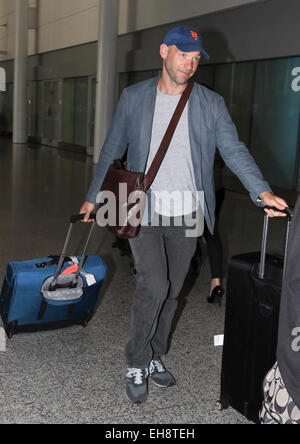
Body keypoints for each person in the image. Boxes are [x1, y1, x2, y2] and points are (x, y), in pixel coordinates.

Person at [80, 25, 288, 404]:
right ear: (164, 52)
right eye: (183, 55)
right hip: (144, 208)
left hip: (189, 211)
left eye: (196, 59)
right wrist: (92, 199)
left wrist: (262, 191)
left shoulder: (209, 103)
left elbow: (234, 149)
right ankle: (137, 360)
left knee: (174, 291)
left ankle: (155, 353)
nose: (190, 65)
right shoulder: (135, 97)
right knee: (153, 285)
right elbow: (112, 149)